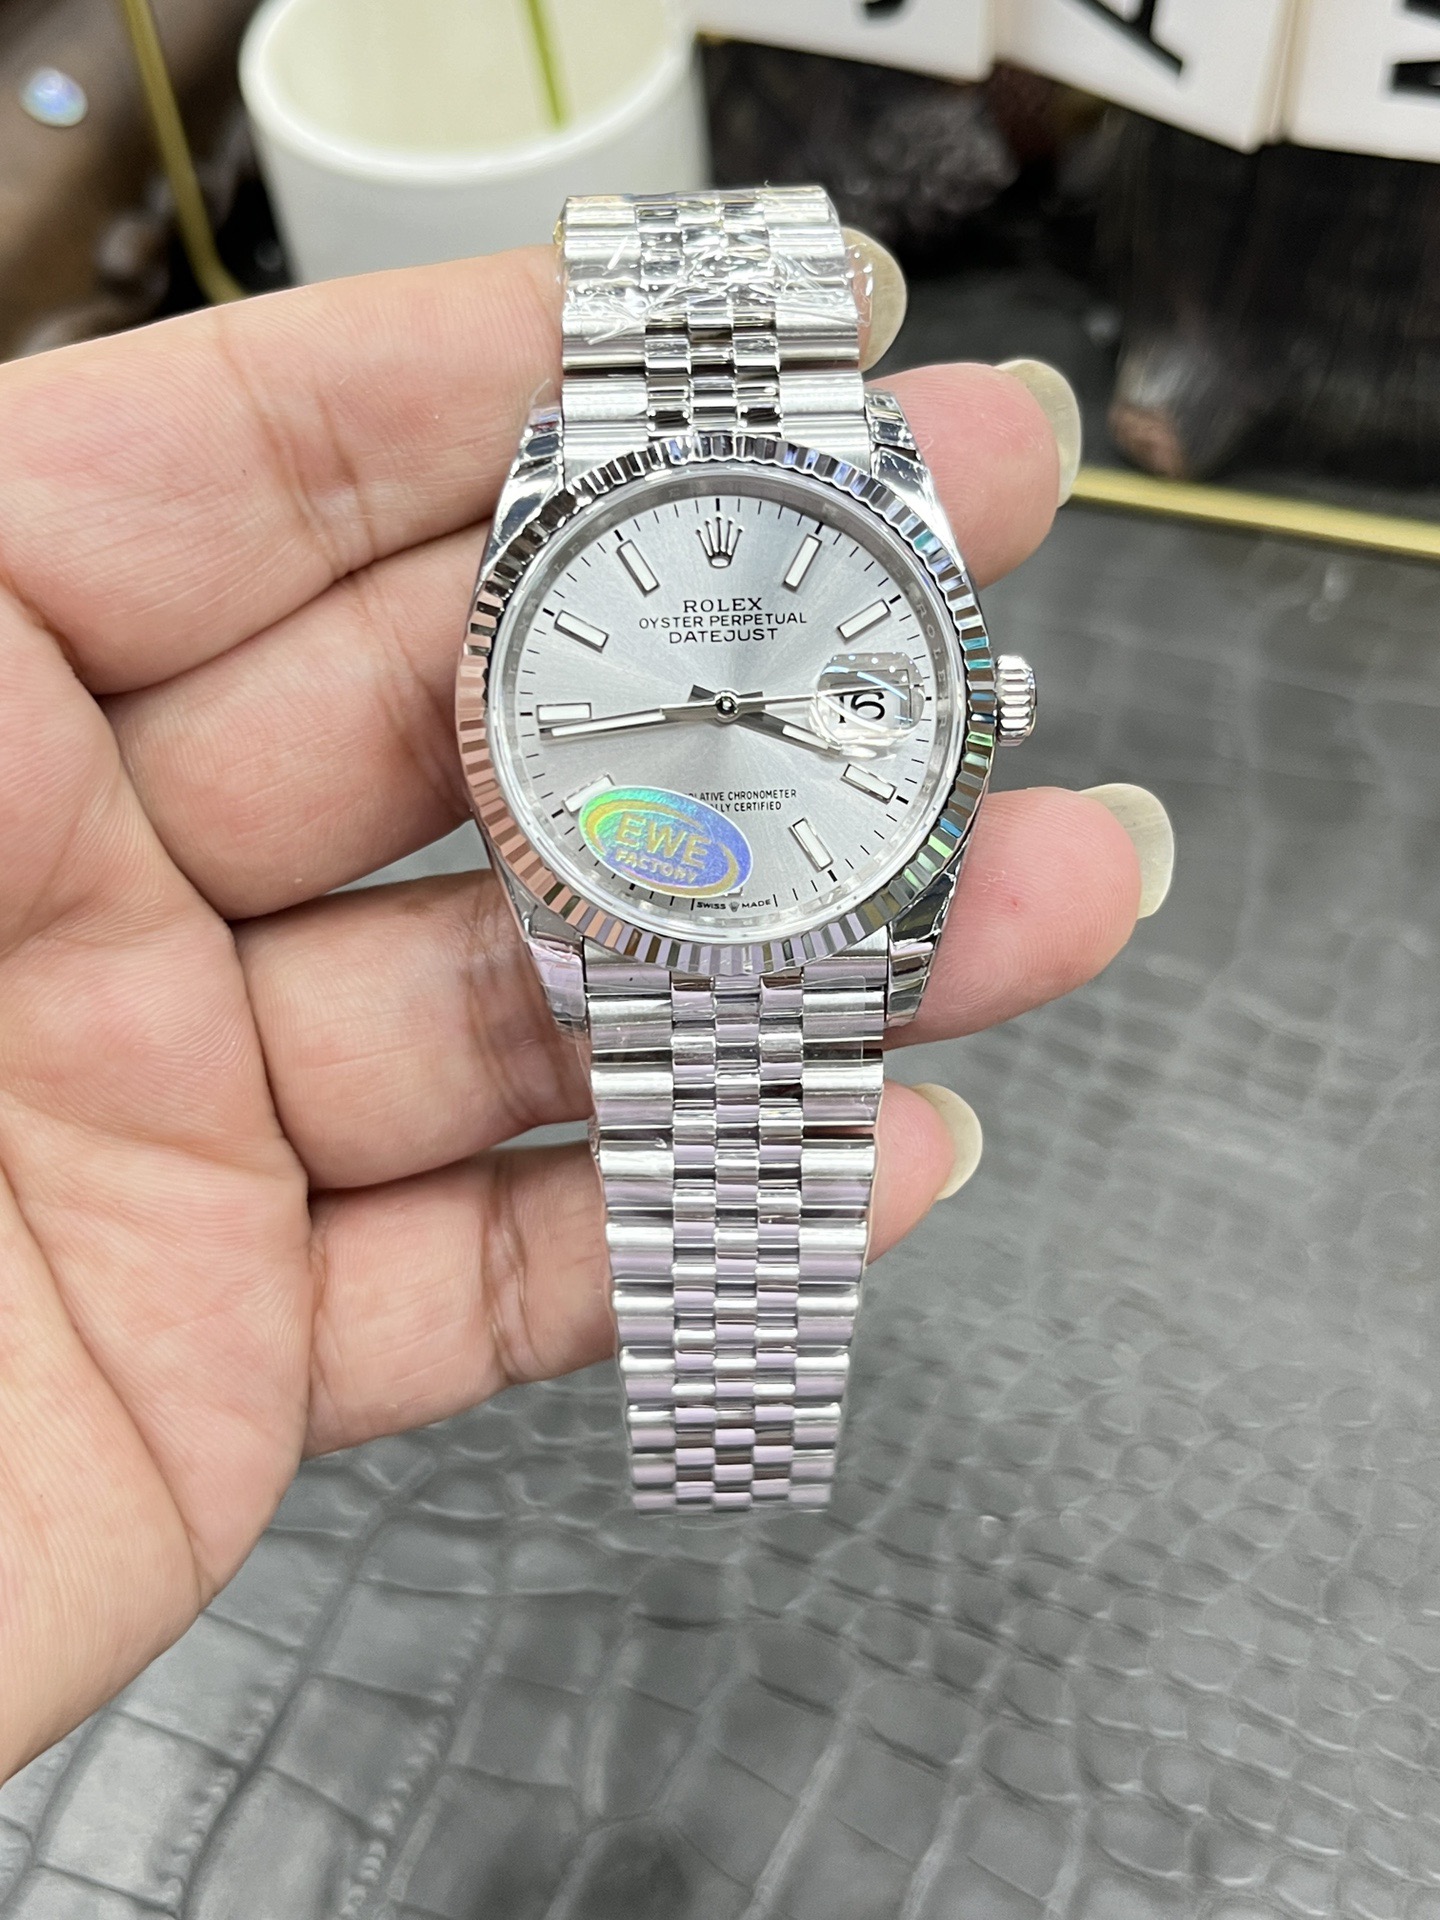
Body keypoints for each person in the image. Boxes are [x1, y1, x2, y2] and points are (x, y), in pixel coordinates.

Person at [0, 245, 1166, 1779]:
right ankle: (736, 1467)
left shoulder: (728, 559)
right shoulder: (567, 570)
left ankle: (739, 1458)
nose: (731, 705)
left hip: (791, 890)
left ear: (981, 704)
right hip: (659, 901)